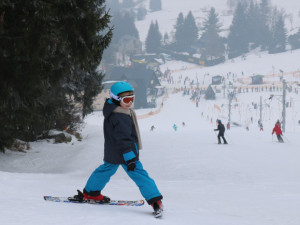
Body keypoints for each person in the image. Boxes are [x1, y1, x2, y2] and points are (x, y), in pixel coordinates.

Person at [74, 81, 163, 214]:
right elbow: (124, 139)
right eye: (126, 100)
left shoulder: (112, 109)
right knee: (140, 175)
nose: (130, 103)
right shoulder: (121, 117)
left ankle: (91, 192)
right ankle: (155, 200)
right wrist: (130, 158)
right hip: (126, 153)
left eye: (132, 99)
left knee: (105, 170)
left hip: (113, 152)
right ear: (116, 99)